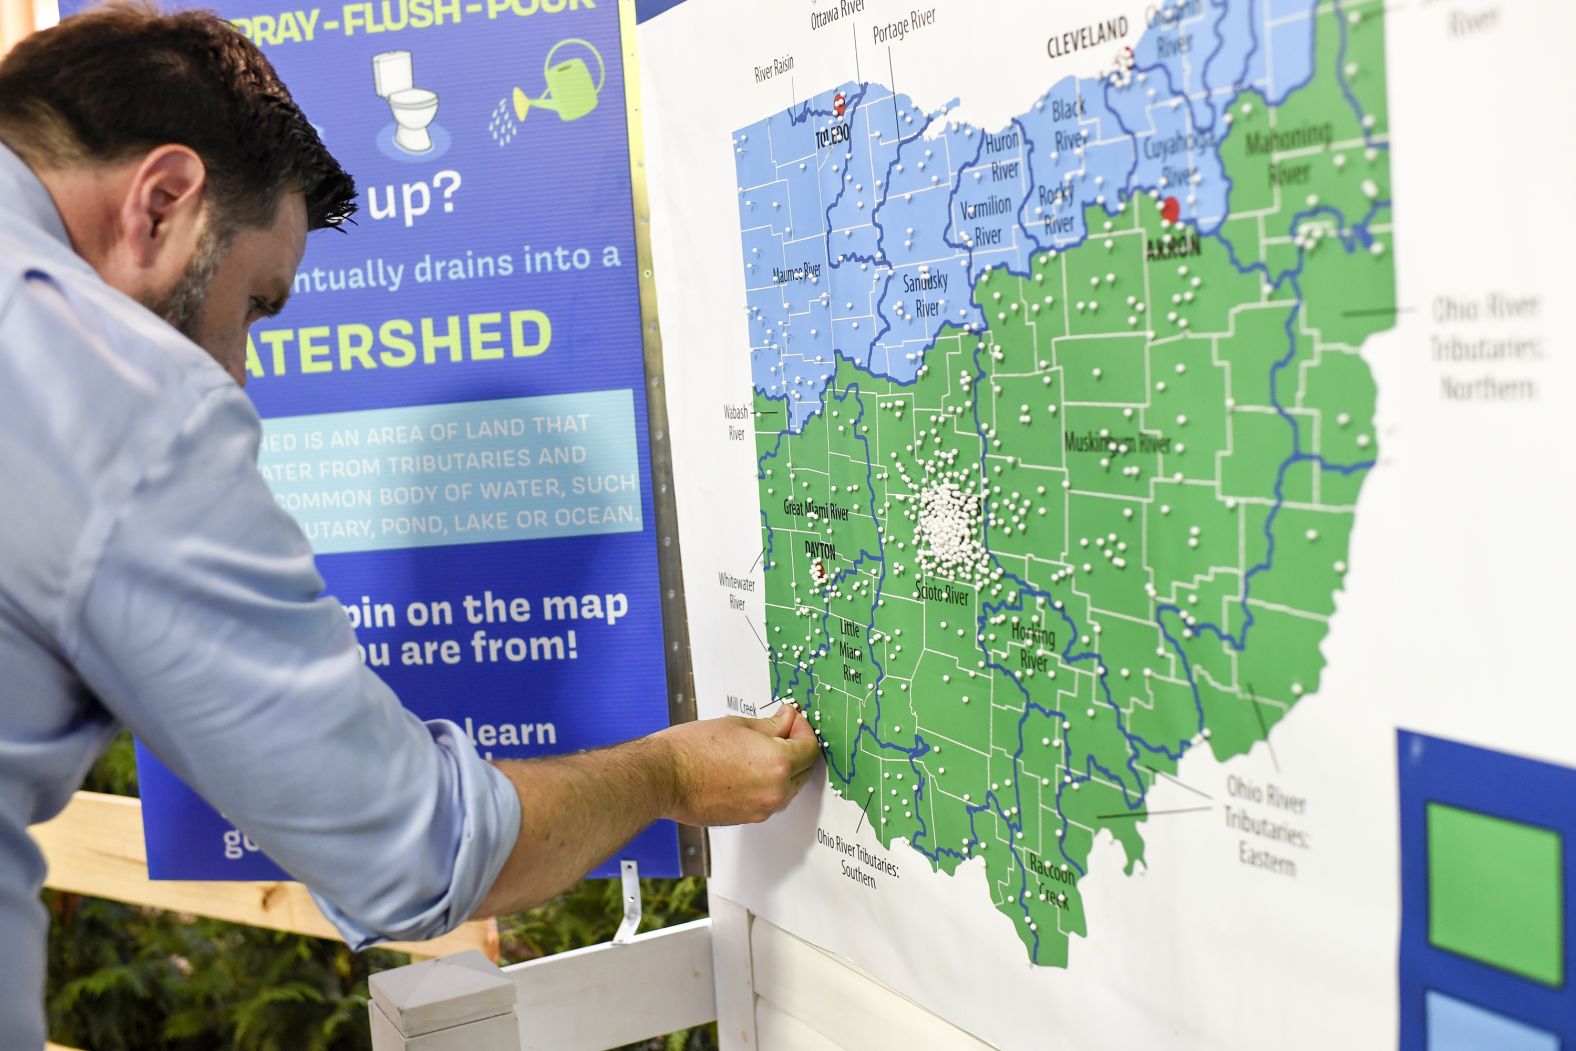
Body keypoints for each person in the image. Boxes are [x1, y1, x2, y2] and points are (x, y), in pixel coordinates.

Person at [0, 4, 820, 1046]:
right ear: (161, 202)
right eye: (256, 302)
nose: (237, 374)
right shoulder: (115, 389)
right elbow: (411, 855)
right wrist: (664, 773)